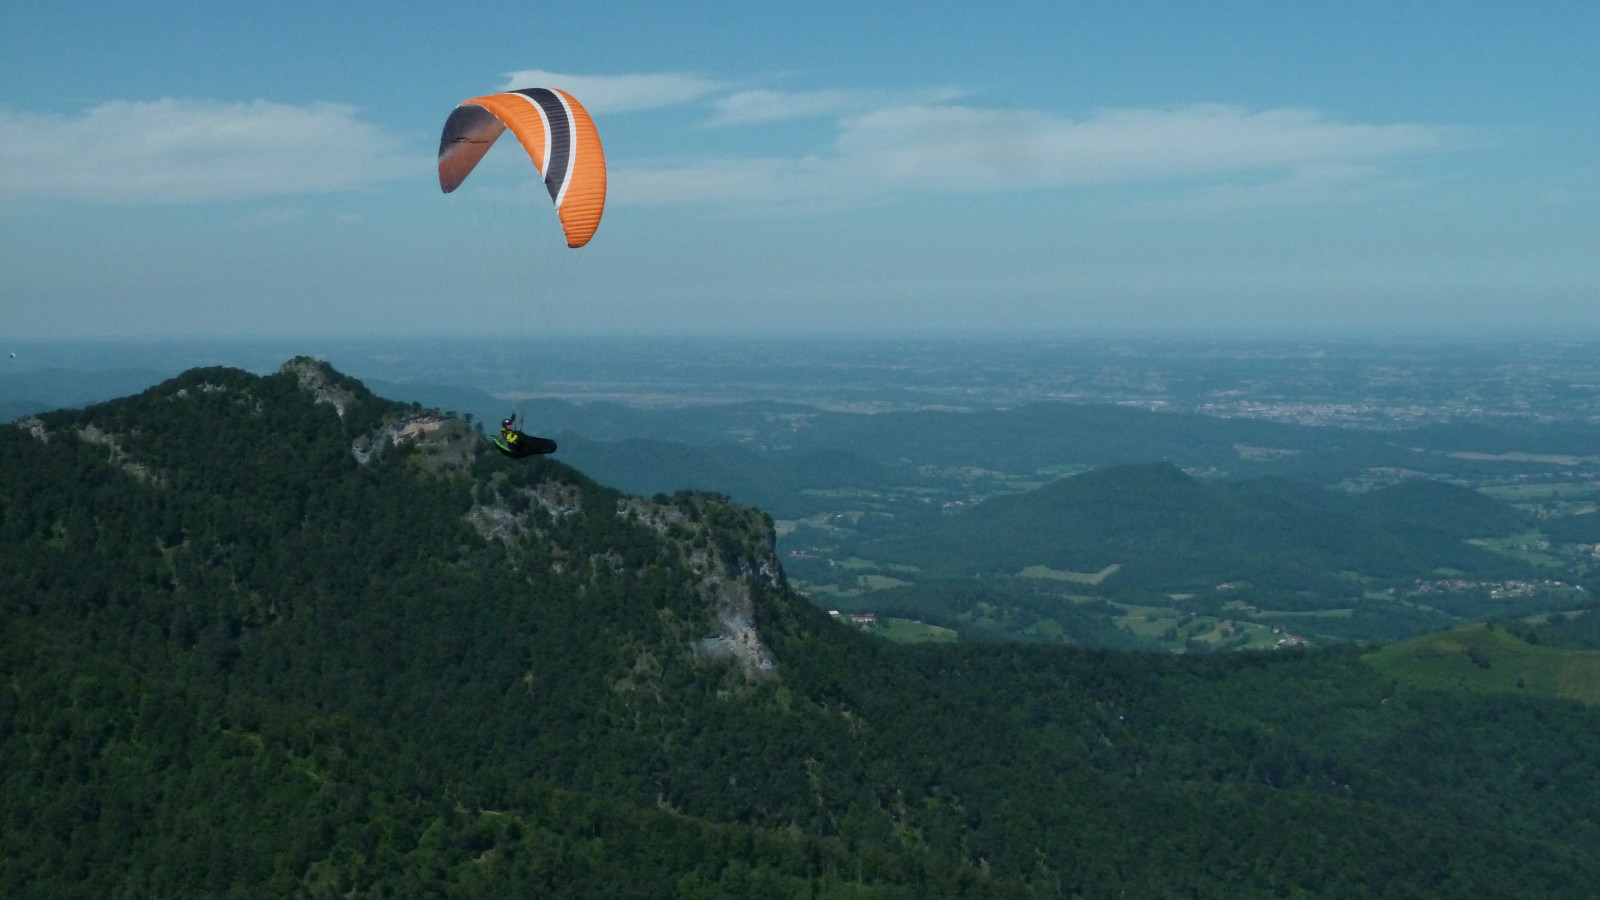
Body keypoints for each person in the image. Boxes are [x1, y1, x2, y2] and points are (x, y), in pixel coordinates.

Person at [492, 413, 557, 458]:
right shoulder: (506, 433)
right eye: (509, 425)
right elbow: (510, 440)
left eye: (510, 424)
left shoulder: (505, 429)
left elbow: (508, 424)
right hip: (516, 448)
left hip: (518, 445)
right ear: (506, 426)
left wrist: (512, 419)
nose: (510, 426)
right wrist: (516, 436)